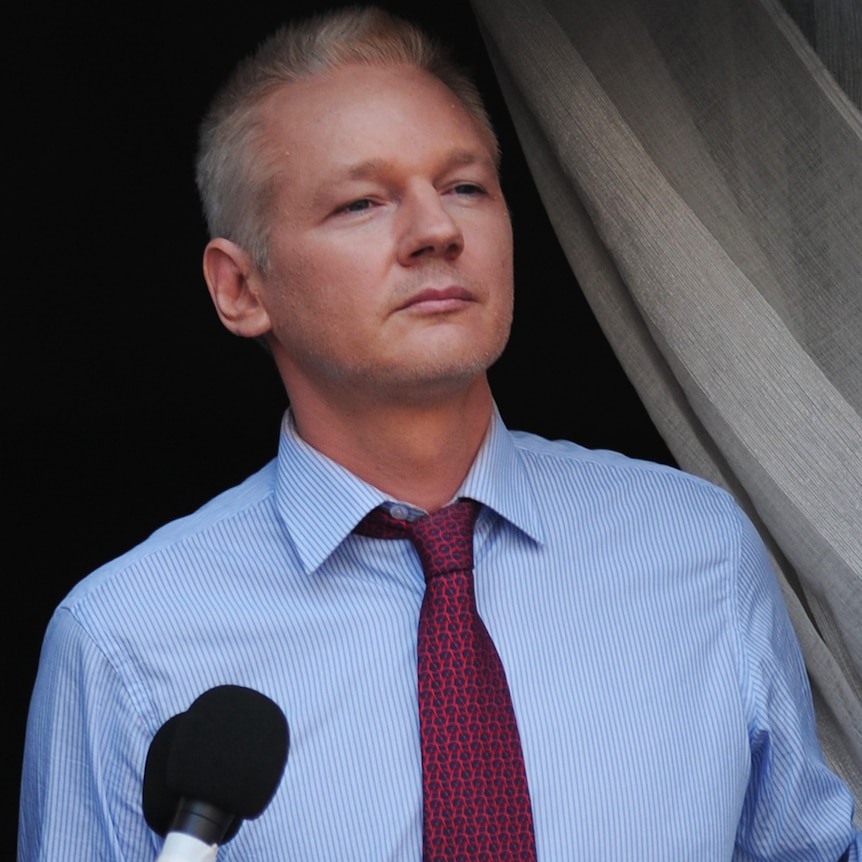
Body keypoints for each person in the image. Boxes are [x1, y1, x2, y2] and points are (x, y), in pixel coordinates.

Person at [19, 6, 860, 861]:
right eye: (360, 202)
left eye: (465, 187)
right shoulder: (124, 638)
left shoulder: (700, 551)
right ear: (240, 288)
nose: (436, 231)